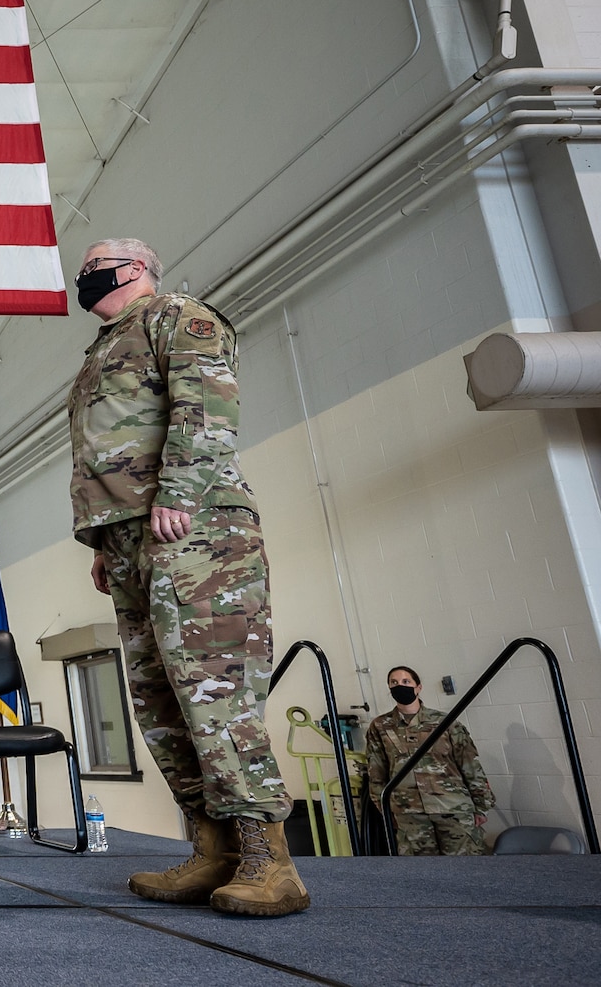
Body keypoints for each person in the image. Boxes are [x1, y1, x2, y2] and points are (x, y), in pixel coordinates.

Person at [68, 238, 307, 918]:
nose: (85, 278)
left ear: (137, 268)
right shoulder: (103, 348)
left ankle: (270, 862)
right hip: (132, 536)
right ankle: (215, 850)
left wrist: (177, 489)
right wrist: (104, 538)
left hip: (195, 527)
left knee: (213, 685)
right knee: (158, 695)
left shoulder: (176, 315)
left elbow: (204, 404)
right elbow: (108, 450)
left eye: (96, 266)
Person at [364, 666, 495, 855]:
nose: (399, 686)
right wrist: (385, 808)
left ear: (418, 687)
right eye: (394, 682)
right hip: (409, 812)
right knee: (422, 874)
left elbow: (470, 765)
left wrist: (482, 806)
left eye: (406, 682)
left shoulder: (445, 722)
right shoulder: (380, 726)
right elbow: (376, 772)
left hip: (453, 807)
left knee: (466, 869)